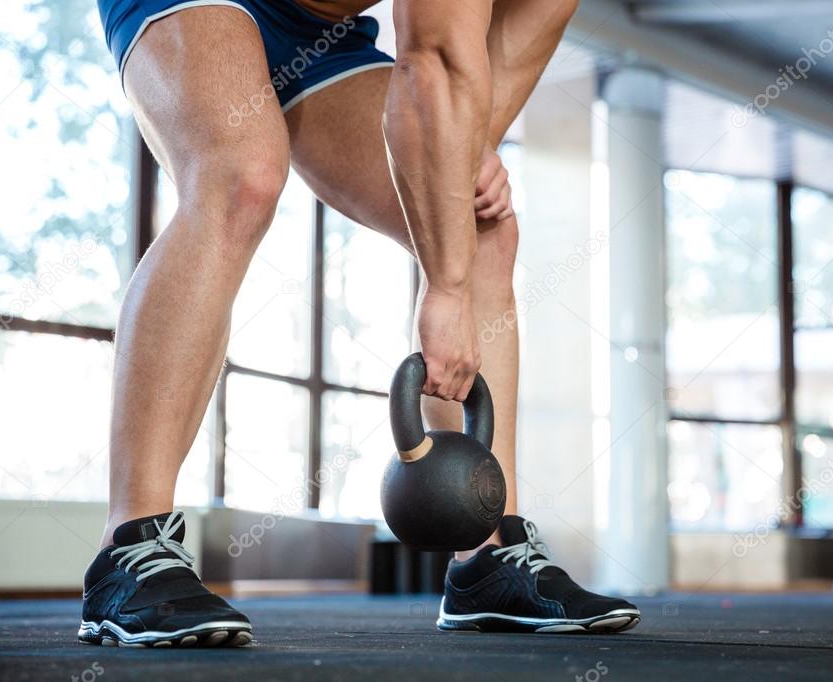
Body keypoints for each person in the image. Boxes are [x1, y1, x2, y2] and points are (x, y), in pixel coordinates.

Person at [80, 0, 640, 647]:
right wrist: (444, 289)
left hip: (321, 34)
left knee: (480, 223)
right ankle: (130, 546)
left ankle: (486, 554)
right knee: (241, 172)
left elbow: (472, 95)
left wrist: (464, 167)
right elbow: (432, 58)